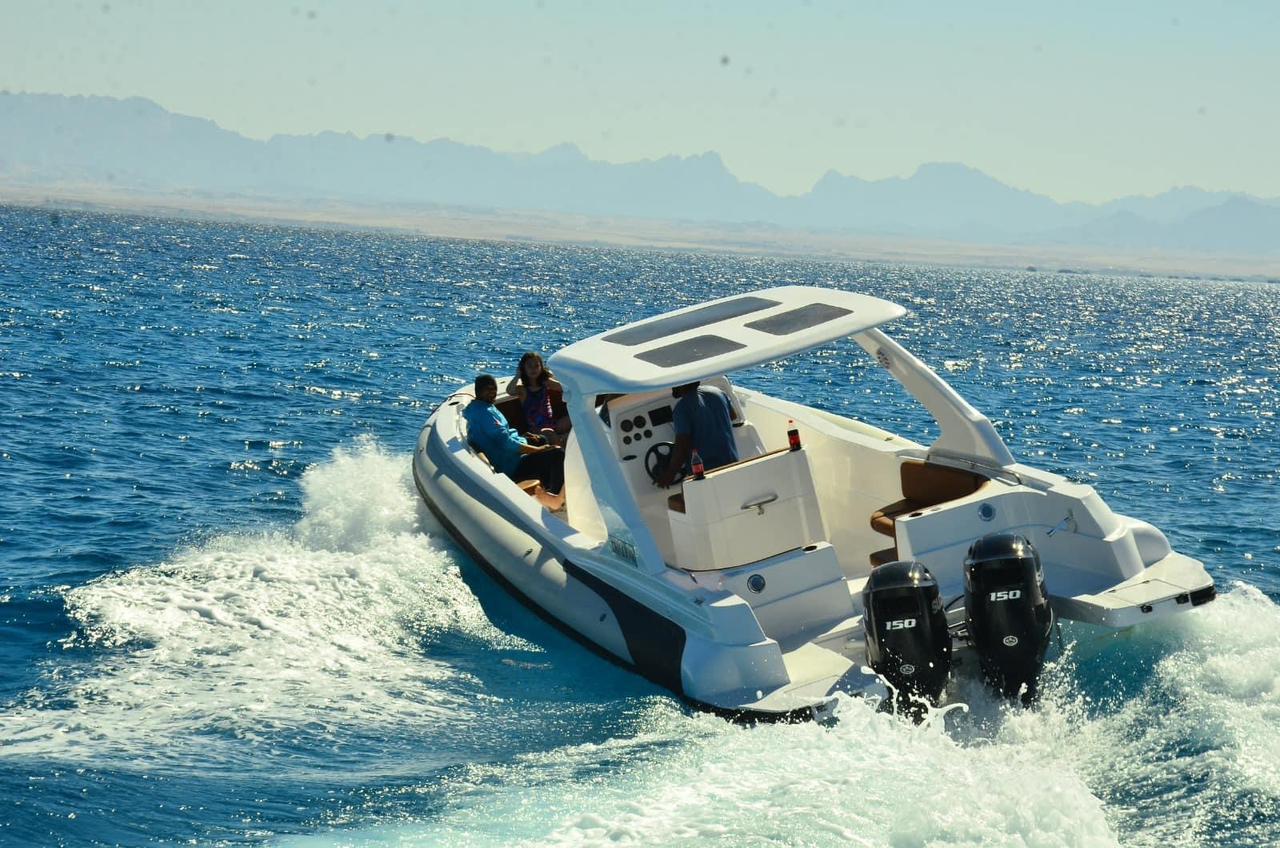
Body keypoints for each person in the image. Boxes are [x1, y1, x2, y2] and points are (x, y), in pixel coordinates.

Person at [464, 373, 565, 507]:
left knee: (541, 439)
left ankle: (545, 488)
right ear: (478, 391)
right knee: (557, 454)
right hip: (512, 466)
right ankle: (555, 500)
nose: (492, 392)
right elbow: (506, 443)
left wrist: (524, 438)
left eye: (494, 388)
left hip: (509, 455)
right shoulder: (484, 414)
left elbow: (502, 436)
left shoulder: (479, 407)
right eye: (487, 389)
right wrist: (537, 450)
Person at [657, 381, 739, 487]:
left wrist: (670, 474)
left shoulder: (682, 408)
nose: (672, 386)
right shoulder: (718, 392)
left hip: (706, 474)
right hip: (732, 464)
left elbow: (682, 447)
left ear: (682, 384)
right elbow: (733, 415)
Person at [505, 351, 571, 444]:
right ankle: (562, 440)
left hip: (552, 424)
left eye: (536, 366)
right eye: (529, 366)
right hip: (536, 430)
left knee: (574, 418)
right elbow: (509, 391)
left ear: (541, 367)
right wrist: (517, 375)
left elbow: (564, 388)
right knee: (549, 435)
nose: (533, 369)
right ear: (523, 368)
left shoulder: (545, 383)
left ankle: (562, 439)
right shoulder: (523, 390)